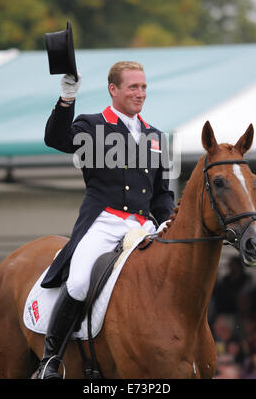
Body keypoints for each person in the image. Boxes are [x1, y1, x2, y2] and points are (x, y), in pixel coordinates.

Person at [35, 61, 175, 379]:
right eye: (133, 87)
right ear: (114, 90)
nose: (140, 93)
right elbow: (55, 139)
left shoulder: (156, 137)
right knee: (81, 280)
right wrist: (67, 98)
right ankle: (50, 360)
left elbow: (161, 195)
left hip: (143, 226)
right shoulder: (92, 125)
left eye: (143, 87)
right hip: (104, 220)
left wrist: (168, 220)